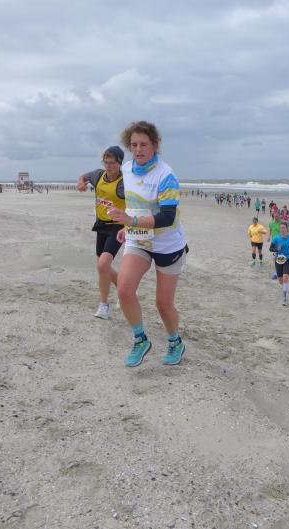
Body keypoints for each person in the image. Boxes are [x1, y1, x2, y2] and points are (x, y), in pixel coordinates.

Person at [107, 121, 187, 367]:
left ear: (155, 145)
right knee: (124, 289)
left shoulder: (166, 175)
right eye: (133, 145)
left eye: (143, 144)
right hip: (139, 239)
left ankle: (175, 342)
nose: (138, 150)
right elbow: (135, 204)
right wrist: (128, 227)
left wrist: (131, 221)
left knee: (163, 304)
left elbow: (167, 217)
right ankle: (140, 339)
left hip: (168, 245)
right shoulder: (127, 169)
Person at [77, 145, 126, 320]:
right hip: (101, 225)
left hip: (118, 226)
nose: (108, 166)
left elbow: (138, 201)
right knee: (102, 266)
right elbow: (83, 176)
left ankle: (104, 306)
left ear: (120, 163)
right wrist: (81, 183)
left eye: (112, 163)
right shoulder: (98, 175)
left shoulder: (125, 183)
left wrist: (130, 224)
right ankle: (124, 290)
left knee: (103, 265)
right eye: (106, 162)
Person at [269, 222, 289, 305]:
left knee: (285, 277)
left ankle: (285, 298)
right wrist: (276, 249)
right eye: (281, 228)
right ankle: (285, 287)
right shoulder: (276, 238)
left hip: (287, 259)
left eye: (283, 228)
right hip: (278, 260)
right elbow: (270, 248)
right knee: (280, 281)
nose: (282, 229)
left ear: (286, 229)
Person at [267, 212, 283, 279]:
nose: (276, 217)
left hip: (281, 242)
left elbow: (287, 231)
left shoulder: (282, 223)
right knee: (275, 257)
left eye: (277, 216)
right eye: (274, 216)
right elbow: (270, 230)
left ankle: (279, 272)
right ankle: (275, 273)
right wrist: (269, 237)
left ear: (279, 216)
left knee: (279, 256)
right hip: (274, 242)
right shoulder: (271, 223)